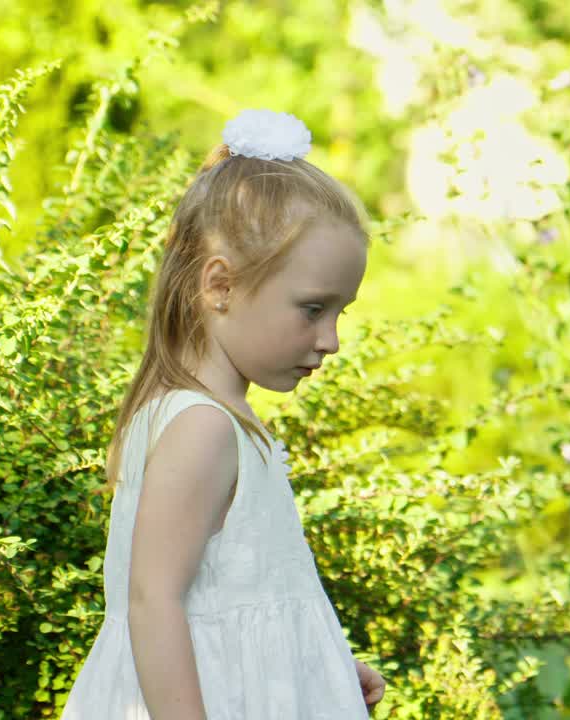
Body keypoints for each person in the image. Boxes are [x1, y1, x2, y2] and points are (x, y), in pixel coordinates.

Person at [61, 109, 385, 719]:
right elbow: (153, 603)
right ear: (221, 286)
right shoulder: (202, 428)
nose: (331, 339)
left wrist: (321, 667)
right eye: (313, 309)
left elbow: (236, 600)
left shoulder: (210, 417)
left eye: (340, 313)